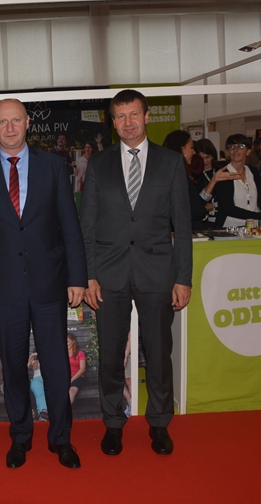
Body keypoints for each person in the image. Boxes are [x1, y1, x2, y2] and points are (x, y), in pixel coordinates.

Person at [0, 98, 87, 470]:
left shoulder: (53, 166)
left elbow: (70, 226)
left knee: (56, 366)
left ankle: (61, 439)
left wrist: (77, 277)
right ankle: (20, 437)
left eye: (16, 120)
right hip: (2, 288)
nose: (10, 128)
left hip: (50, 284)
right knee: (14, 367)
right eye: (2, 122)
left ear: (27, 122)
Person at [79, 89, 192, 457]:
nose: (127, 122)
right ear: (113, 123)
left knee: (159, 353)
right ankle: (113, 423)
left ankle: (159, 422)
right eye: (120, 116)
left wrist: (183, 277)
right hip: (108, 275)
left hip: (157, 273)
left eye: (133, 114)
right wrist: (88, 275)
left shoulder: (171, 162)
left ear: (146, 116)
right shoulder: (98, 164)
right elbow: (87, 226)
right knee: (111, 355)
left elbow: (183, 226)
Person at [214, 134, 261, 229]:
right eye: (231, 147)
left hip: (252, 227)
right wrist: (260, 216)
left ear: (248, 151)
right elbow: (228, 208)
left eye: (240, 146)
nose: (235, 150)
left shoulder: (253, 172)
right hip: (228, 228)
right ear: (228, 152)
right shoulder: (223, 174)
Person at [66, 333, 86, 405]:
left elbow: (82, 369)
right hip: (65, 378)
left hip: (77, 377)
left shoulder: (80, 353)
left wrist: (71, 380)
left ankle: (65, 410)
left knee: (71, 391)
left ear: (73, 341)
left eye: (67, 341)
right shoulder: (62, 354)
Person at [28, 352, 48, 421]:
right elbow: (34, 368)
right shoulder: (35, 358)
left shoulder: (50, 356)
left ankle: (44, 413)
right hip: (36, 379)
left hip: (47, 378)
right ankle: (42, 413)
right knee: (39, 391)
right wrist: (39, 359)